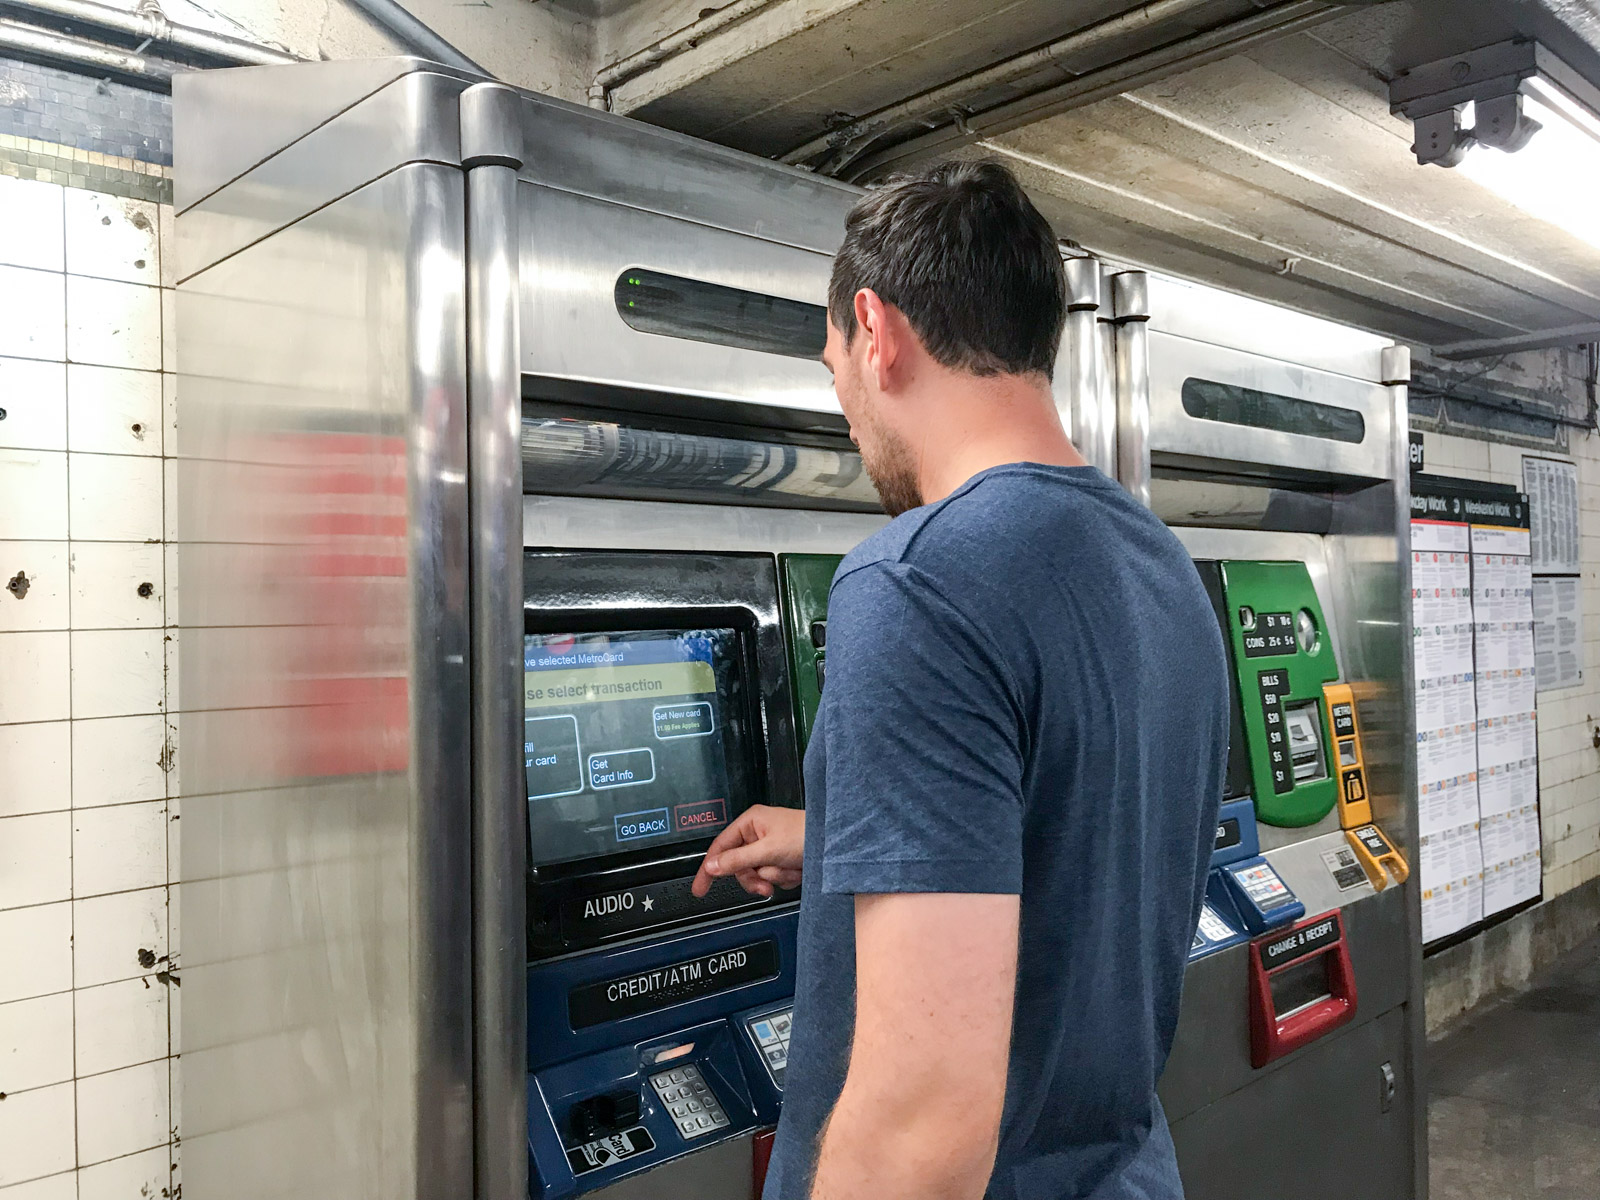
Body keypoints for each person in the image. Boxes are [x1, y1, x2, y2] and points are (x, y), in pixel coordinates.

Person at [690, 160, 1228, 1200]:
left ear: (875, 330)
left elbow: (921, 1123)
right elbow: (1080, 816)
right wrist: (847, 829)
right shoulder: (1152, 559)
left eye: (832, 366)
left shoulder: (916, 580)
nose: (844, 408)